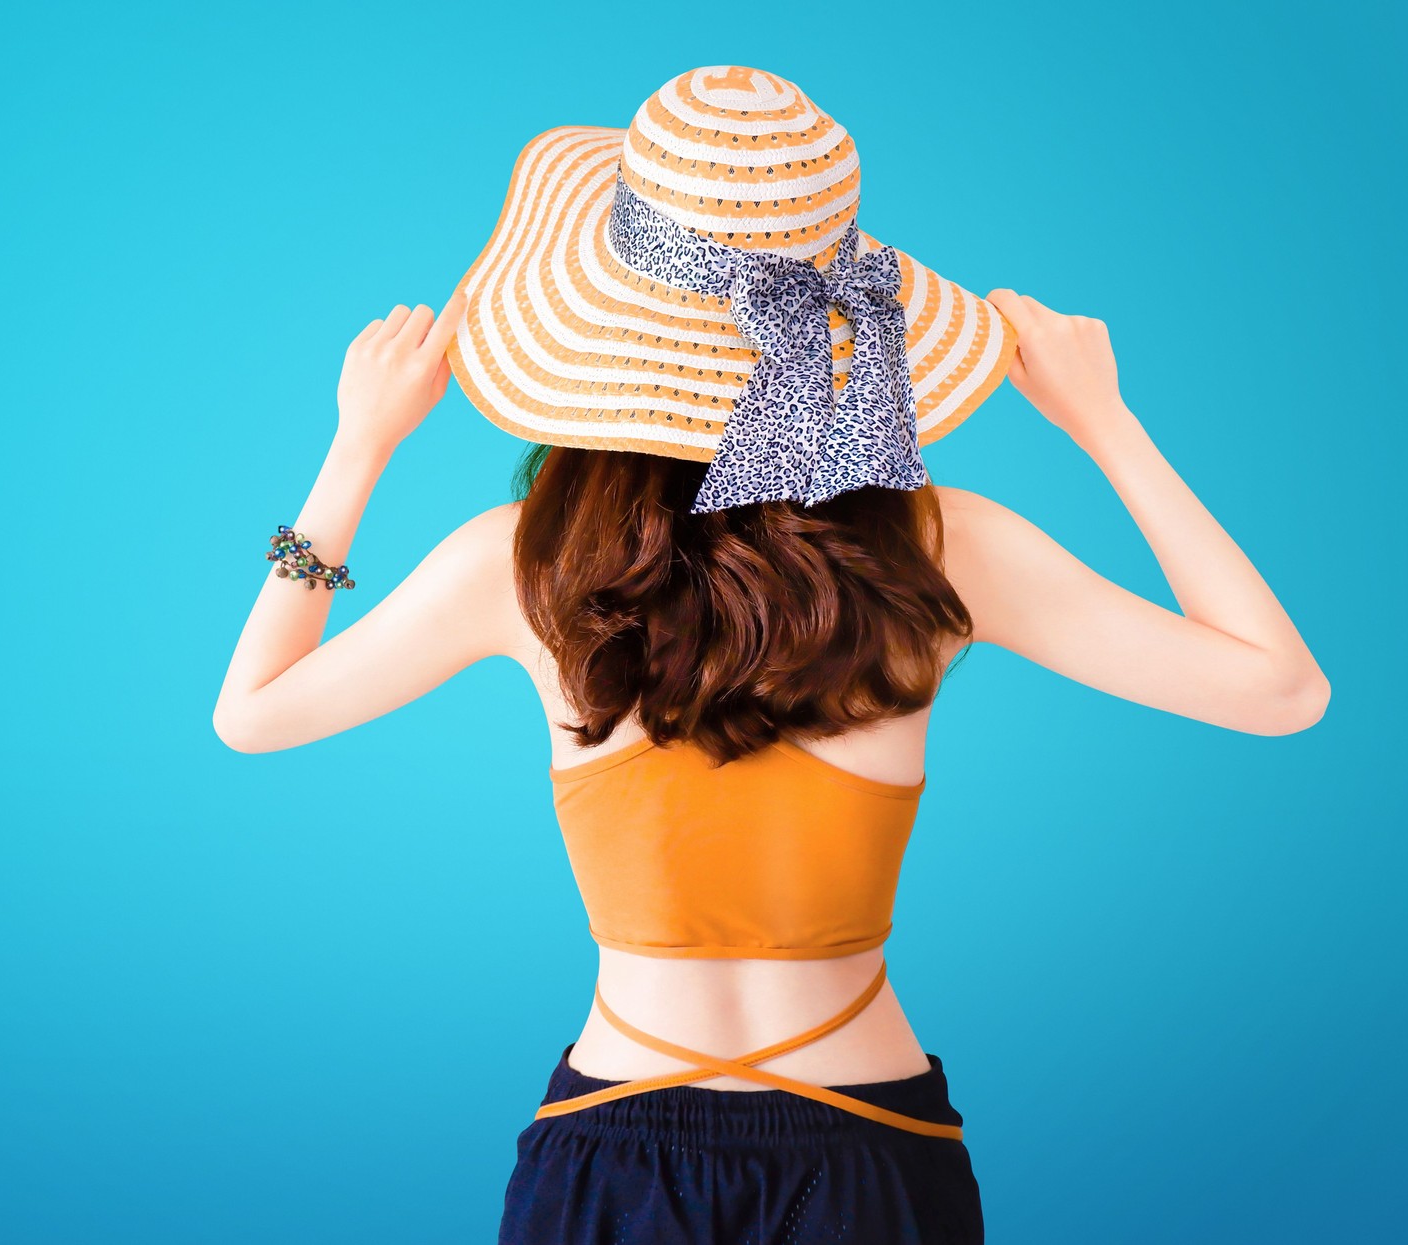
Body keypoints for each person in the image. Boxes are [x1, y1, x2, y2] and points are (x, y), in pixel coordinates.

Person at [213, 66, 1328, 1245]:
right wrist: (1108, 420)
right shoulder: (946, 550)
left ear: (604, 329)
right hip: (875, 1146)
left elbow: (254, 711)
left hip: (611, 1144)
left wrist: (356, 451)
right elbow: (1280, 689)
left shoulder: (523, 566)